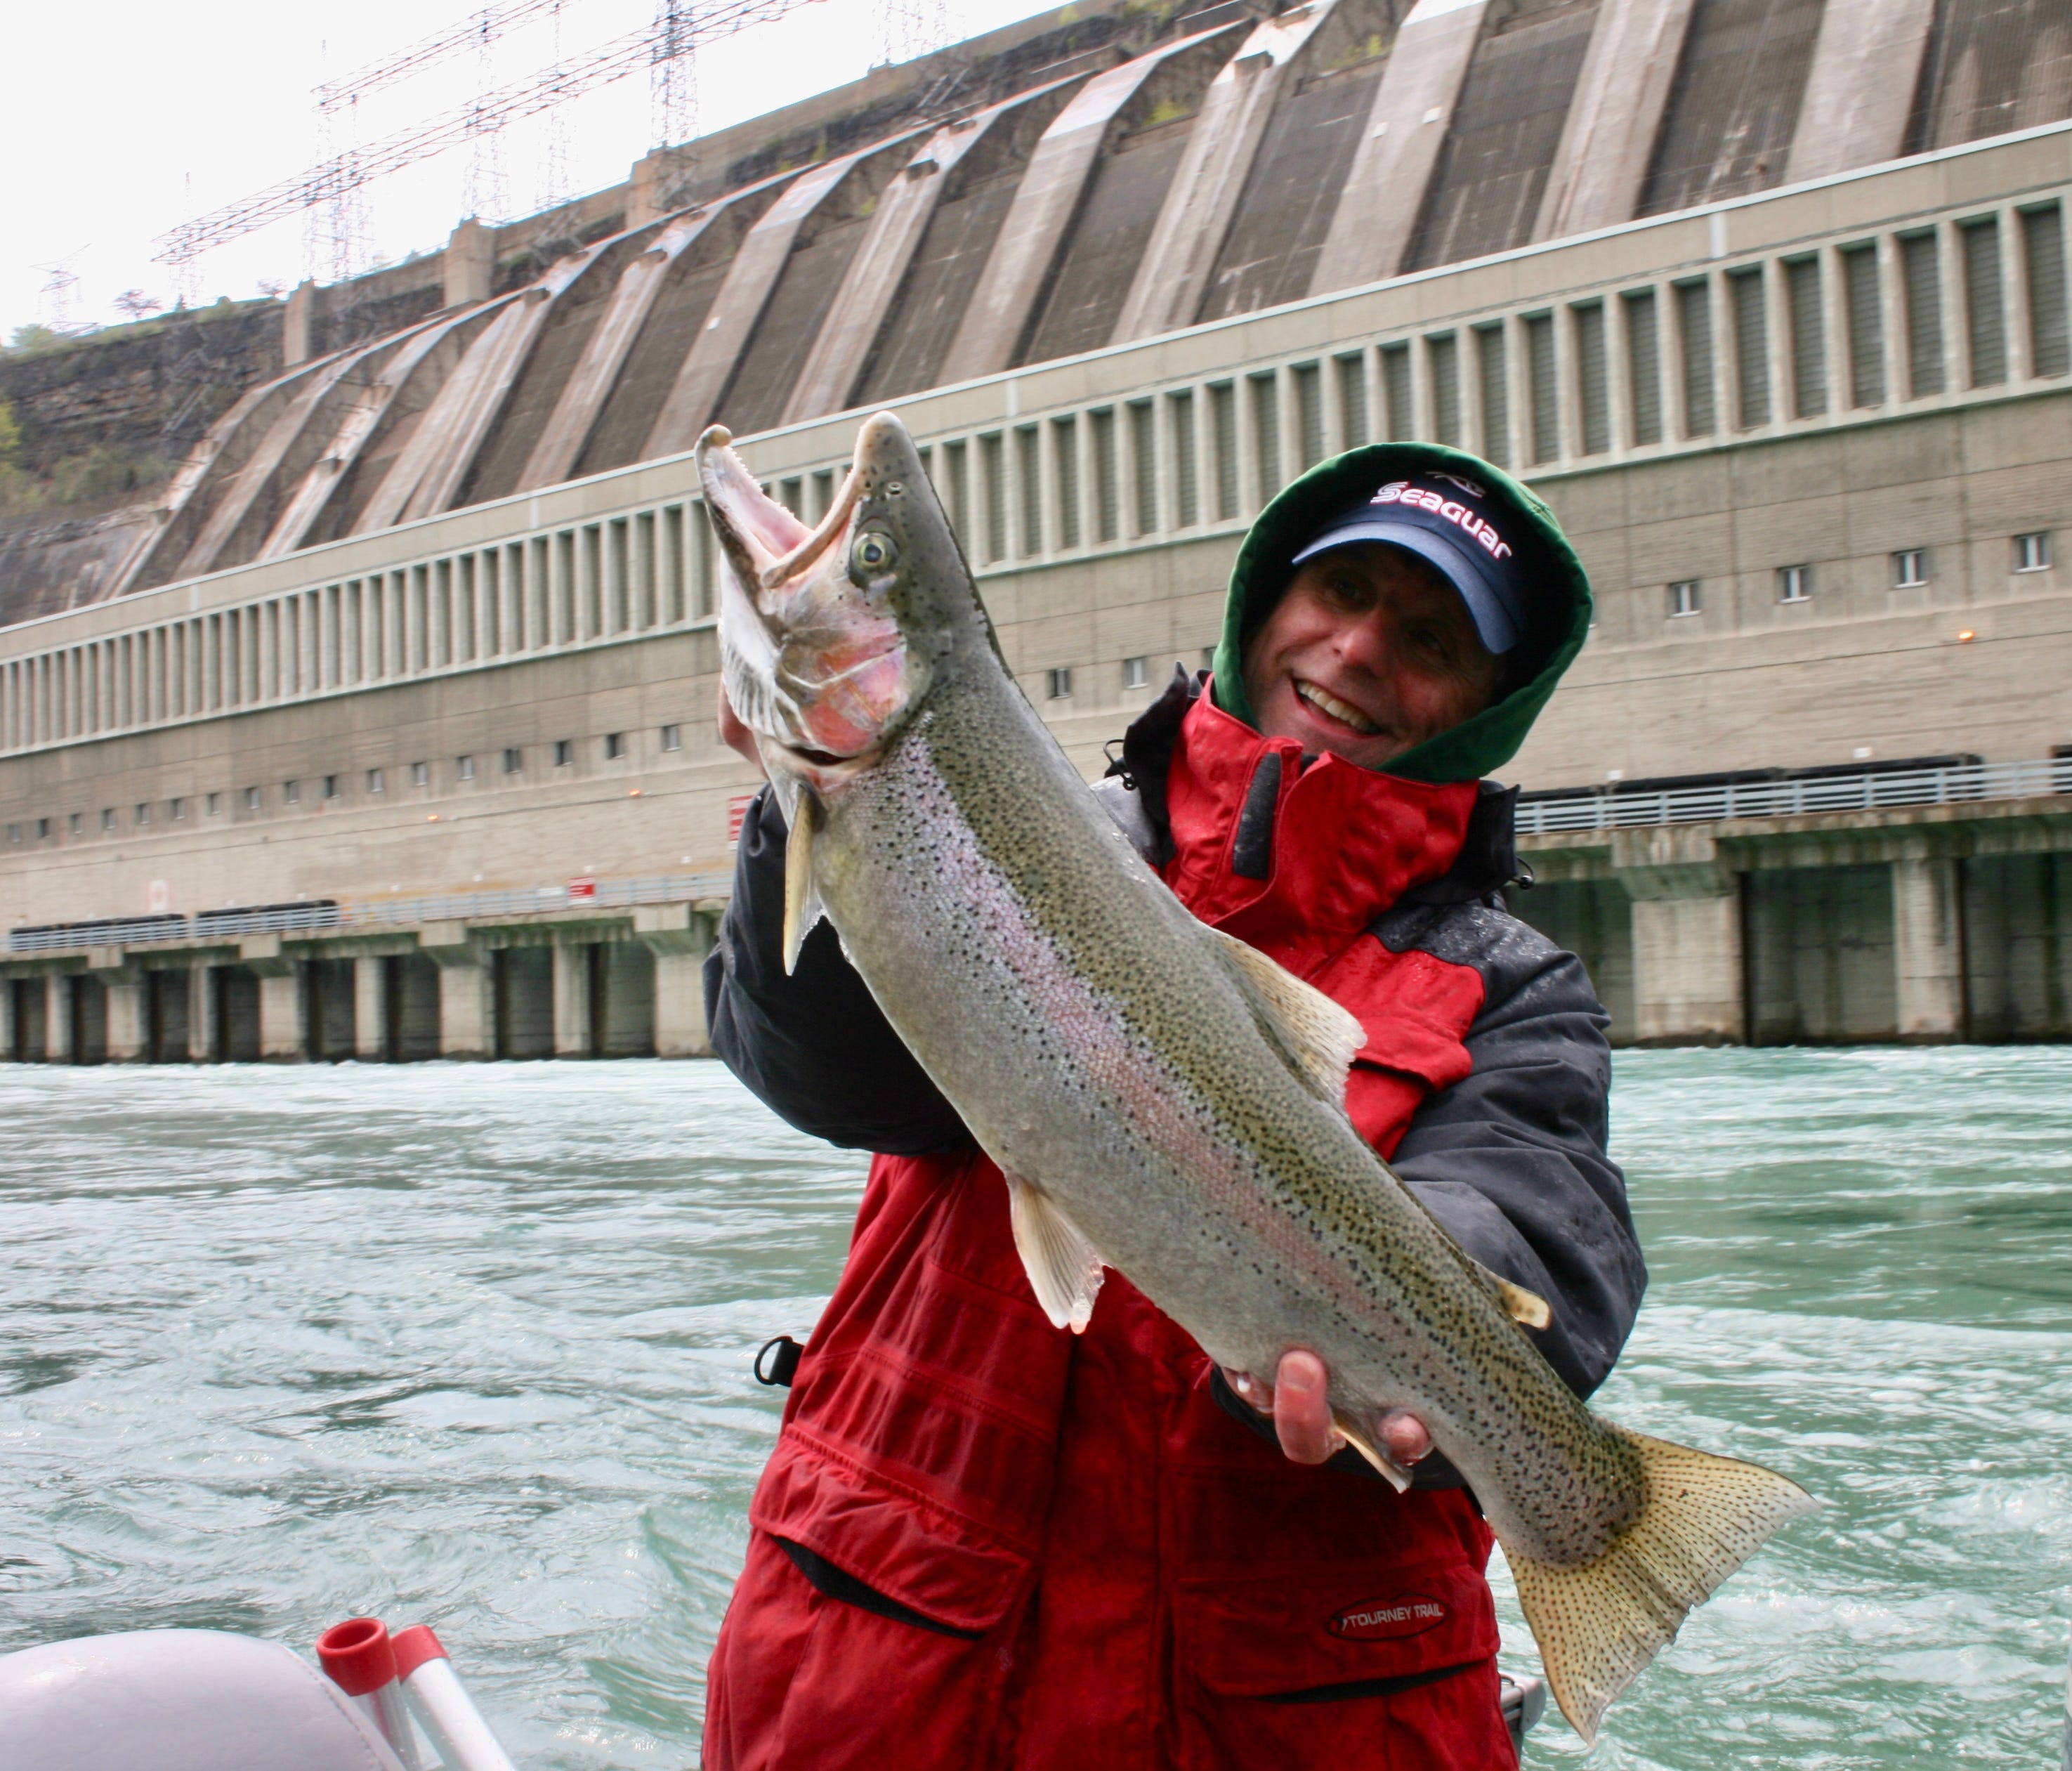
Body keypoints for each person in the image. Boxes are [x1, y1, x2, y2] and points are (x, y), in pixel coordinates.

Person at [698, 441, 1646, 1770]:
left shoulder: (1513, 991)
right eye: (1341, 592)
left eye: (1426, 635)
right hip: (898, 1666)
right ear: (1264, 605)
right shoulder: (1045, 829)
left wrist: (1381, 1338)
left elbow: (1536, 1235)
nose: (1360, 648)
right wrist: (795, 793)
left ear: (1485, 705)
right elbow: (819, 1073)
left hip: (1272, 1712)